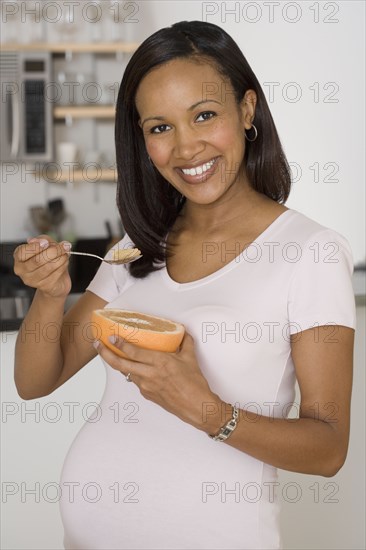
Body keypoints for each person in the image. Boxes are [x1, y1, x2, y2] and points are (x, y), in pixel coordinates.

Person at [13, 20, 356, 550]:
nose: (186, 147)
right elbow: (38, 379)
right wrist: (51, 294)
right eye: (159, 127)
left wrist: (203, 407)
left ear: (246, 111)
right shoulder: (138, 246)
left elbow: (329, 448)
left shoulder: (310, 251)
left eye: (204, 115)